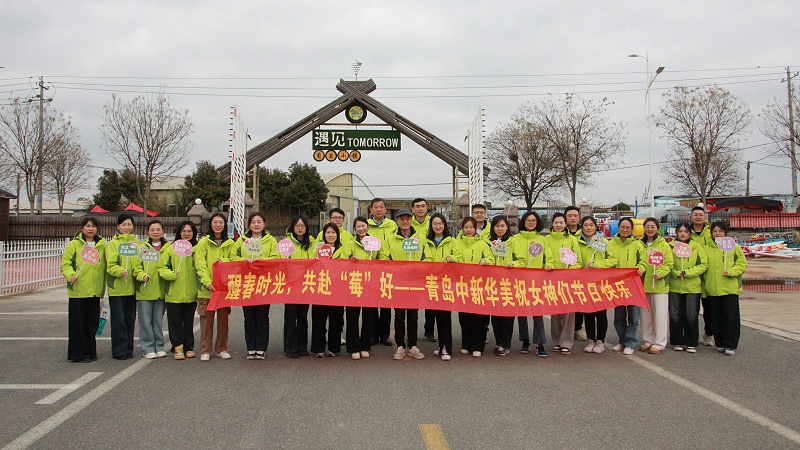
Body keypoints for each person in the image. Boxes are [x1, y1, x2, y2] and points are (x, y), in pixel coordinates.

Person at [230, 212, 280, 360]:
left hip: (264, 283)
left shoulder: (270, 241)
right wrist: (244, 260)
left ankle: (261, 347)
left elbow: (276, 258)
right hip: (247, 283)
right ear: (249, 225)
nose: (256, 225)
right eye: (253, 222)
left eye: (259, 222)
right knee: (249, 316)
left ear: (264, 224)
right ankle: (251, 347)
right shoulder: (242, 240)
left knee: (262, 316)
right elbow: (233, 257)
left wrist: (261, 260)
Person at [381, 209, 427, 361]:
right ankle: (400, 345)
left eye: (408, 219)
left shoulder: (420, 238)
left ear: (411, 220)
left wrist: (417, 268)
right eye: (402, 219)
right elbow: (384, 258)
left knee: (413, 315)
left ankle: (413, 345)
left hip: (415, 283)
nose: (405, 222)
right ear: (397, 221)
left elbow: (429, 258)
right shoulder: (390, 238)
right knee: (399, 315)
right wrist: (397, 269)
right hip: (398, 283)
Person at [61, 217, 106, 362]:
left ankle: (91, 352)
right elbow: (66, 264)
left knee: (92, 322)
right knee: (78, 323)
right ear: (82, 228)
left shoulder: (102, 245)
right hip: (78, 290)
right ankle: (78, 354)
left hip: (95, 291)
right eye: (87, 226)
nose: (90, 228)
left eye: (93, 226)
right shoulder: (74, 245)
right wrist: (70, 275)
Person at [509, 211, 553, 357]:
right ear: (523, 221)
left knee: (537, 314)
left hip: (537, 281)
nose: (531, 222)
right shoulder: (515, 238)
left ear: (537, 222)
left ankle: (540, 343)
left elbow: (549, 257)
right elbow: (511, 256)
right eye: (528, 220)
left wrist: (549, 265)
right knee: (521, 313)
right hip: (520, 281)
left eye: (533, 220)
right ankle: (525, 340)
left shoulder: (542, 239)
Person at [194, 213, 235, 361]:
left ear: (225, 225)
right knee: (206, 321)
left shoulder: (230, 243)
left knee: (223, 320)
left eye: (221, 222)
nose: (218, 225)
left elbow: (233, 261)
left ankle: (222, 348)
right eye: (215, 222)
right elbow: (200, 264)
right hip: (207, 288)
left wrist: (222, 260)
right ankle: (205, 350)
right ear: (210, 224)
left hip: (224, 288)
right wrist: (206, 281)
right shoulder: (203, 242)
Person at [422, 213, 462, 361]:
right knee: (435, 315)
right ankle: (441, 346)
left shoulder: (452, 241)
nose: (438, 226)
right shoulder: (427, 242)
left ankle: (447, 348)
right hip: (432, 284)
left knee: (444, 317)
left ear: (445, 225)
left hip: (446, 284)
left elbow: (459, 257)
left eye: (440, 223)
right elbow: (424, 258)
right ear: (431, 226)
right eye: (435, 224)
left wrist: (452, 259)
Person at [704, 222, 747, 356]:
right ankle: (720, 342)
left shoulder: (734, 248)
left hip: (729, 288)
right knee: (716, 318)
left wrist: (731, 271)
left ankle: (730, 344)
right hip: (712, 288)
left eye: (720, 231)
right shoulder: (706, 248)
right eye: (715, 231)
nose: (717, 233)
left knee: (730, 317)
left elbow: (741, 264)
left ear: (725, 233)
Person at [159, 221, 200, 360]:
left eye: (189, 231)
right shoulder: (171, 249)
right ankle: (177, 347)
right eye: (184, 231)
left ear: (193, 233)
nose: (186, 234)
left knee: (188, 322)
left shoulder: (197, 249)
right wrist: (170, 275)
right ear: (179, 232)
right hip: (174, 292)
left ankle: (189, 347)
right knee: (175, 322)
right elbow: (162, 267)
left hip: (191, 292)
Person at [543, 212, 582, 355]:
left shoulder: (572, 240)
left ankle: (566, 341)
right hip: (552, 280)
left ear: (566, 224)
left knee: (568, 313)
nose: (559, 225)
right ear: (552, 224)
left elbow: (578, 262)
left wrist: (570, 271)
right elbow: (547, 257)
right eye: (556, 222)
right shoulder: (546, 239)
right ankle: (557, 340)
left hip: (568, 280)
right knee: (555, 313)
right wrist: (549, 265)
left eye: (561, 222)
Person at [454, 217, 494, 357]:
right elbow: (456, 258)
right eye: (466, 227)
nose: (469, 230)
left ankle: (478, 346)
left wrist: (486, 260)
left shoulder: (483, 244)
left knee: (479, 317)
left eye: (471, 227)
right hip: (463, 285)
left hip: (480, 285)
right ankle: (466, 344)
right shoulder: (457, 243)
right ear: (462, 229)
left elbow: (491, 259)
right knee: (464, 316)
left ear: (476, 228)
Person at [575, 216, 616, 354]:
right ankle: (591, 340)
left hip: (600, 282)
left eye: (591, 225)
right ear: (582, 227)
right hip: (584, 282)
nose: (588, 228)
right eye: (585, 225)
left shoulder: (603, 242)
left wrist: (597, 265)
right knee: (588, 312)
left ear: (595, 226)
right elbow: (574, 259)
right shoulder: (577, 242)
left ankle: (600, 341)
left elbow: (612, 260)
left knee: (601, 312)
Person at [131, 219, 170, 359]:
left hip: (161, 291)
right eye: (152, 230)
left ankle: (159, 346)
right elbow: (136, 268)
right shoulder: (142, 248)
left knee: (158, 320)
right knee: (145, 321)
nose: (155, 232)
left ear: (163, 231)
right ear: (148, 232)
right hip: (145, 290)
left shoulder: (168, 248)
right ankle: (147, 347)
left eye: (158, 229)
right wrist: (142, 276)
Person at [341, 216, 378, 360]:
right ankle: (353, 347)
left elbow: (383, 260)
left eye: (363, 226)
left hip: (370, 284)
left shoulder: (375, 243)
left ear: (367, 227)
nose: (361, 229)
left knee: (368, 316)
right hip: (353, 283)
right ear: (355, 229)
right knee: (352, 316)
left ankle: (365, 346)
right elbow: (343, 260)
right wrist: (351, 260)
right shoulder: (350, 244)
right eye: (358, 227)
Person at [105, 213, 140, 360]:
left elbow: (139, 263)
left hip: (132, 288)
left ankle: (128, 349)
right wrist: (120, 271)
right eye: (124, 225)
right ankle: (119, 350)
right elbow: (110, 265)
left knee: (130, 319)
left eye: (129, 224)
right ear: (118, 227)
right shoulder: (113, 244)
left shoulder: (137, 244)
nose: (126, 227)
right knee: (119, 320)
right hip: (117, 288)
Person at [668, 222, 708, 353]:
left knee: (691, 315)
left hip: (692, 287)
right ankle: (677, 341)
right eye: (680, 231)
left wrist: (687, 273)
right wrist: (675, 273)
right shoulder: (670, 246)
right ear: (676, 233)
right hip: (674, 286)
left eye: (685, 231)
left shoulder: (696, 247)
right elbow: (667, 263)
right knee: (675, 315)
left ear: (689, 233)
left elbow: (703, 264)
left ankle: (691, 342)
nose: (683, 233)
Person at [608, 217, 644, 355]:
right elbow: (608, 261)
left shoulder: (637, 245)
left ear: (632, 229)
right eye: (622, 227)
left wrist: (641, 268)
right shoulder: (611, 244)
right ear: (618, 228)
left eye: (628, 227)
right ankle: (622, 340)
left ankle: (630, 342)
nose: (625, 230)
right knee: (619, 315)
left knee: (633, 316)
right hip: (617, 285)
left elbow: (643, 262)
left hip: (633, 284)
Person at [638, 217, 674, 355]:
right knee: (646, 315)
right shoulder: (639, 244)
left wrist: (660, 273)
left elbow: (669, 263)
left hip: (659, 285)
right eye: (647, 226)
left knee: (660, 315)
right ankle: (648, 340)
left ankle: (659, 342)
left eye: (653, 227)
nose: (650, 229)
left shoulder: (663, 244)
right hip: (643, 285)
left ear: (657, 228)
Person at [310, 222, 346, 358]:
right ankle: (318, 348)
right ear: (324, 235)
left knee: (336, 319)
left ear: (337, 235)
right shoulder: (317, 249)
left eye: (333, 232)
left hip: (337, 289)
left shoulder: (343, 250)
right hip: (320, 288)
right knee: (318, 319)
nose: (331, 235)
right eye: (328, 233)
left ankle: (333, 348)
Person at [284, 215, 317, 358]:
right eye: (297, 225)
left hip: (306, 284)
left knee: (302, 316)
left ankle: (302, 346)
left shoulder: (313, 243)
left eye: (302, 225)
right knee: (290, 316)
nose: (300, 228)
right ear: (293, 227)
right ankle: (290, 347)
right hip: (291, 285)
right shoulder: (286, 243)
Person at [367, 198, 397, 347]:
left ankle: (385, 335)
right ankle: (373, 334)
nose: (378, 210)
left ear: (385, 210)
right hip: (371, 269)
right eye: (376, 207)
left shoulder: (392, 225)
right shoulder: (366, 225)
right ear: (371, 210)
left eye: (381, 207)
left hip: (387, 269)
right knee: (371, 303)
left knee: (385, 303)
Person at [488, 215, 517, 356]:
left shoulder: (513, 242)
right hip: (493, 284)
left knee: (507, 316)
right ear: (493, 228)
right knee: (496, 316)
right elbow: (487, 258)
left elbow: (521, 259)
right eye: (497, 226)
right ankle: (499, 342)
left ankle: (506, 344)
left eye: (502, 226)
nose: (500, 228)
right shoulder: (489, 243)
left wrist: (514, 264)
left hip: (508, 284)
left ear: (507, 227)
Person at [689, 205, 715, 346]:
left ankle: (709, 333)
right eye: (695, 214)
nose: (698, 217)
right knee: (692, 310)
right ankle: (691, 337)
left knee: (709, 308)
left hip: (708, 274)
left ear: (705, 217)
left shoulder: (711, 232)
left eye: (701, 214)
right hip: (691, 276)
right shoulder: (687, 233)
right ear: (691, 217)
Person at [564, 205, 586, 342]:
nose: (572, 218)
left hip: (581, 273)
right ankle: (565, 331)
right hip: (563, 274)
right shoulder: (561, 232)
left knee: (579, 301)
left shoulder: (585, 233)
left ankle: (577, 328)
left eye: (575, 216)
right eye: (570, 216)